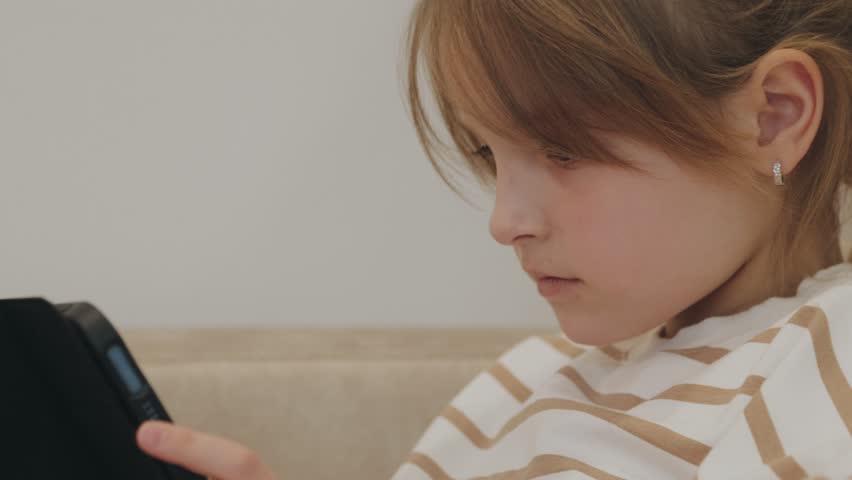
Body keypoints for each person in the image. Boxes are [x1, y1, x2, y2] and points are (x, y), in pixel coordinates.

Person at [134, 1, 852, 478]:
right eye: (488, 154)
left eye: (563, 150)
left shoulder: (828, 355)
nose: (504, 222)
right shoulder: (526, 382)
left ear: (774, 116)